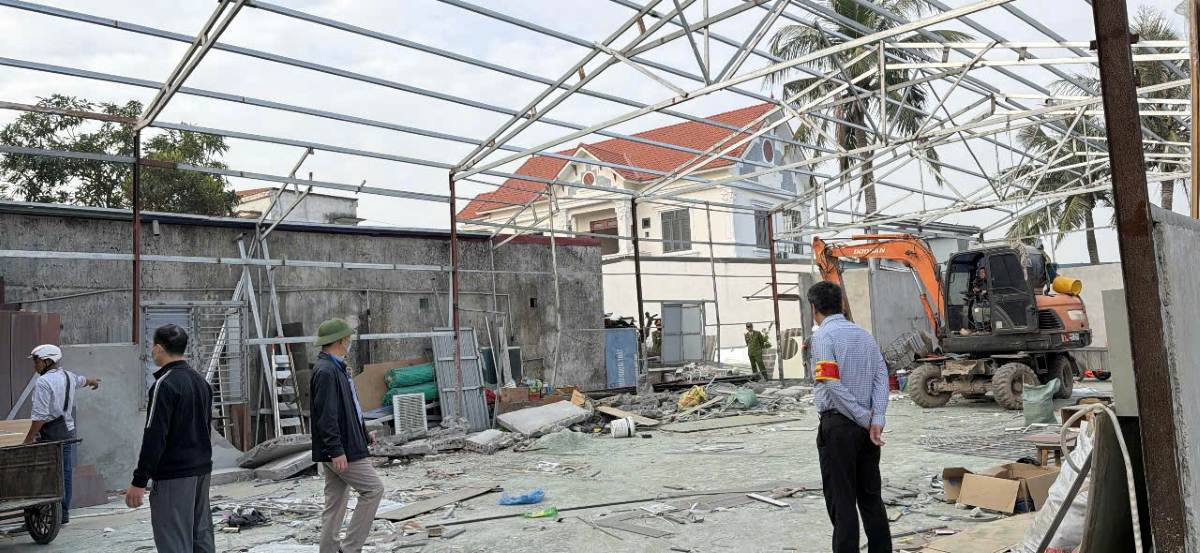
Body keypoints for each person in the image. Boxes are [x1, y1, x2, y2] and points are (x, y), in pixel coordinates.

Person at [808, 281, 891, 553]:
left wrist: (863, 417)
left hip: (839, 427)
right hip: (867, 430)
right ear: (841, 304)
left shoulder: (823, 337)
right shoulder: (864, 335)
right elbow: (881, 376)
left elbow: (831, 383)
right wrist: (876, 418)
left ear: (814, 308)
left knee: (841, 501)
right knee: (870, 498)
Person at [125, 324, 215, 553]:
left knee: (174, 542)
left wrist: (139, 480)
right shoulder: (201, 382)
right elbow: (205, 427)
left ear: (158, 348)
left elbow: (155, 435)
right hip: (201, 471)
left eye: (153, 348)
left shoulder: (164, 385)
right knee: (201, 536)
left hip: (174, 475)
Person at [311, 318, 382, 553]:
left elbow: (351, 407)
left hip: (344, 446)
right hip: (343, 451)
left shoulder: (337, 368)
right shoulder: (326, 372)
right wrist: (336, 450)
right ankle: (350, 549)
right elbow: (326, 416)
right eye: (348, 339)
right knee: (373, 490)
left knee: (335, 504)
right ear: (341, 341)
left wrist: (363, 433)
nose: (349, 342)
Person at [22, 344, 101, 524]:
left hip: (50, 433)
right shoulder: (68, 376)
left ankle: (46, 514)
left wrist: (29, 439)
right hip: (67, 431)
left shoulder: (43, 382)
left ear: (48, 361)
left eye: (37, 361)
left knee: (43, 474)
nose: (35, 365)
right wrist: (93, 381)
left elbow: (40, 416)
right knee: (64, 474)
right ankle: (62, 514)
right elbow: (81, 380)